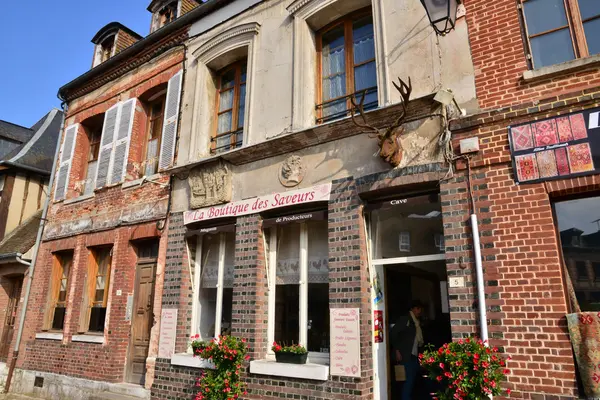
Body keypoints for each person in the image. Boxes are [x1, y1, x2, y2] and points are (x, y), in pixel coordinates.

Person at [390, 300, 425, 400]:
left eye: (421, 309)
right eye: (418, 309)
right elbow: (393, 333)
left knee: (413, 380)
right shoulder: (405, 319)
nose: (420, 311)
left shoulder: (416, 322)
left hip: (414, 355)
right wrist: (396, 350)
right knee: (407, 381)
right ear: (412, 309)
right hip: (405, 355)